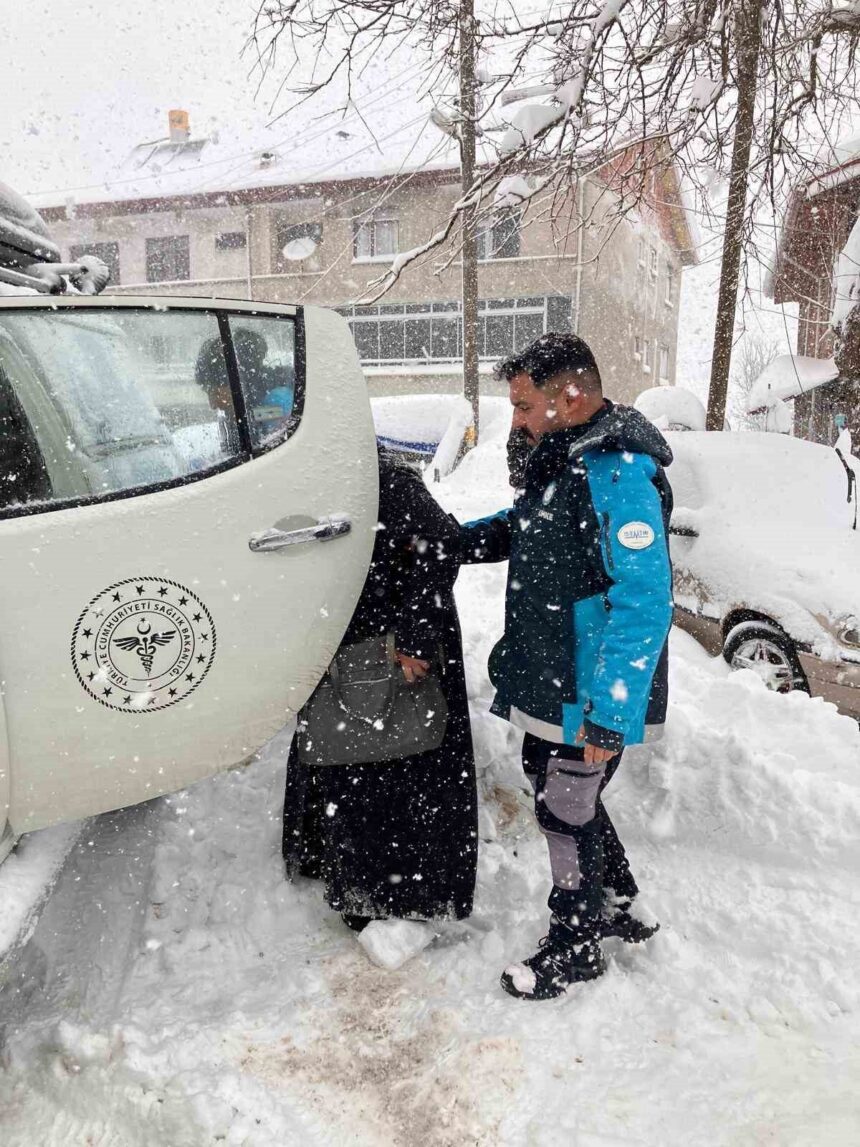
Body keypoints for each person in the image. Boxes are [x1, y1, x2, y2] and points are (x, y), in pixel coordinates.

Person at [460, 332, 674, 1001]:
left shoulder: (619, 473)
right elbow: (527, 524)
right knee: (553, 787)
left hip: (591, 691)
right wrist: (451, 542)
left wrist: (611, 714)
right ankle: (616, 898)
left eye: (524, 406)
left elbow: (644, 600)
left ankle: (577, 942)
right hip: (557, 682)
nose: (517, 421)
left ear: (571, 395)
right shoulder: (566, 461)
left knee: (564, 807)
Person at [282, 446, 478, 933]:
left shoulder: (382, 478)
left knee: (389, 776)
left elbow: (439, 542)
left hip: (393, 660)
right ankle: (351, 879)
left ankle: (395, 900)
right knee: (346, 762)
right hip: (349, 648)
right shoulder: (320, 474)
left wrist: (414, 638)